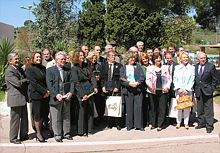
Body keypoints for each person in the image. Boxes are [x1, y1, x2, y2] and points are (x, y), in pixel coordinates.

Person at [46, 51, 74, 142]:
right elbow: (49, 85)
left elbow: (72, 82)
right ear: (57, 60)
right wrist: (56, 94)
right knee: (56, 118)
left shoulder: (68, 70)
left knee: (66, 117)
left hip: (66, 97)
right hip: (56, 98)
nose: (64, 60)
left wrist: (71, 92)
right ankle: (57, 134)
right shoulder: (50, 70)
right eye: (62, 59)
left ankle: (66, 133)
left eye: (64, 59)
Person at [71, 51, 98, 136]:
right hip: (81, 91)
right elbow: (76, 83)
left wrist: (95, 86)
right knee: (81, 111)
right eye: (80, 55)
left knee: (90, 110)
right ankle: (81, 131)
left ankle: (89, 130)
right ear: (76, 57)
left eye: (83, 55)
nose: (82, 56)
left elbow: (92, 77)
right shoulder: (74, 68)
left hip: (90, 90)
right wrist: (82, 94)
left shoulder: (87, 66)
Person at [25, 51, 50, 142]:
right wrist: (44, 92)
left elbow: (46, 80)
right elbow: (34, 83)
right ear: (33, 58)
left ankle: (42, 128)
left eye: (40, 57)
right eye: (37, 57)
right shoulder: (29, 69)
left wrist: (48, 91)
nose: (39, 58)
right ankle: (38, 133)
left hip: (45, 95)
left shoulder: (43, 68)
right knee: (37, 115)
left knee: (44, 113)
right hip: (36, 95)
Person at [5, 52, 29, 144]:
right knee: (15, 120)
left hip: (22, 98)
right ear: (10, 61)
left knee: (24, 118)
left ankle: (23, 135)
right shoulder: (9, 71)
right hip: (15, 99)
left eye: (18, 58)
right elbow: (18, 83)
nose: (18, 60)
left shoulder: (19, 69)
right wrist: (26, 80)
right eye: (16, 59)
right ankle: (13, 138)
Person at [146, 53, 171, 131]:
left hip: (163, 90)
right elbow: (147, 79)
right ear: (154, 60)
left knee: (162, 108)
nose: (158, 60)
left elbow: (169, 79)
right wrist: (151, 86)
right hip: (153, 91)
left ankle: (160, 124)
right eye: (157, 59)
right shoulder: (150, 68)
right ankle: (153, 123)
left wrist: (167, 87)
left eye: (160, 59)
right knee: (153, 108)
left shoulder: (165, 68)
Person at [194, 51, 218, 133]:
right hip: (198, 90)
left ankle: (209, 125)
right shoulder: (196, 66)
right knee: (200, 109)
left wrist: (212, 88)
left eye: (204, 58)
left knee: (208, 109)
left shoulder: (211, 66)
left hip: (207, 90)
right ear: (198, 59)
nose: (203, 59)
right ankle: (201, 123)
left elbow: (215, 79)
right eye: (201, 58)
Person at [120, 52, 145, 131]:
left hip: (138, 89)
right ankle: (129, 125)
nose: (132, 59)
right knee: (129, 108)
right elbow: (121, 78)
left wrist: (137, 83)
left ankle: (139, 125)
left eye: (134, 58)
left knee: (138, 107)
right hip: (128, 90)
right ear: (128, 59)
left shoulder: (138, 66)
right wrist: (129, 83)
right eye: (131, 58)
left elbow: (142, 77)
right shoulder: (124, 67)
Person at [99, 51, 123, 130]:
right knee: (108, 106)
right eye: (112, 56)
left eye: (114, 56)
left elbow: (120, 78)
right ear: (108, 57)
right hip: (106, 89)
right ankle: (109, 123)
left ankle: (118, 123)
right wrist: (102, 87)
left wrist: (117, 87)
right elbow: (101, 78)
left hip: (115, 89)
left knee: (116, 106)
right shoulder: (103, 66)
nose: (114, 57)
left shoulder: (119, 66)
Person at [173, 52, 195, 129]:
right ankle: (178, 122)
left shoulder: (192, 68)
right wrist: (178, 88)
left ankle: (186, 123)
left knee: (187, 107)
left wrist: (187, 89)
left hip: (188, 90)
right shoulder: (177, 67)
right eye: (184, 57)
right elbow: (175, 79)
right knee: (179, 106)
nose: (185, 59)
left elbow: (192, 79)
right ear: (181, 59)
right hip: (179, 91)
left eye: (186, 57)